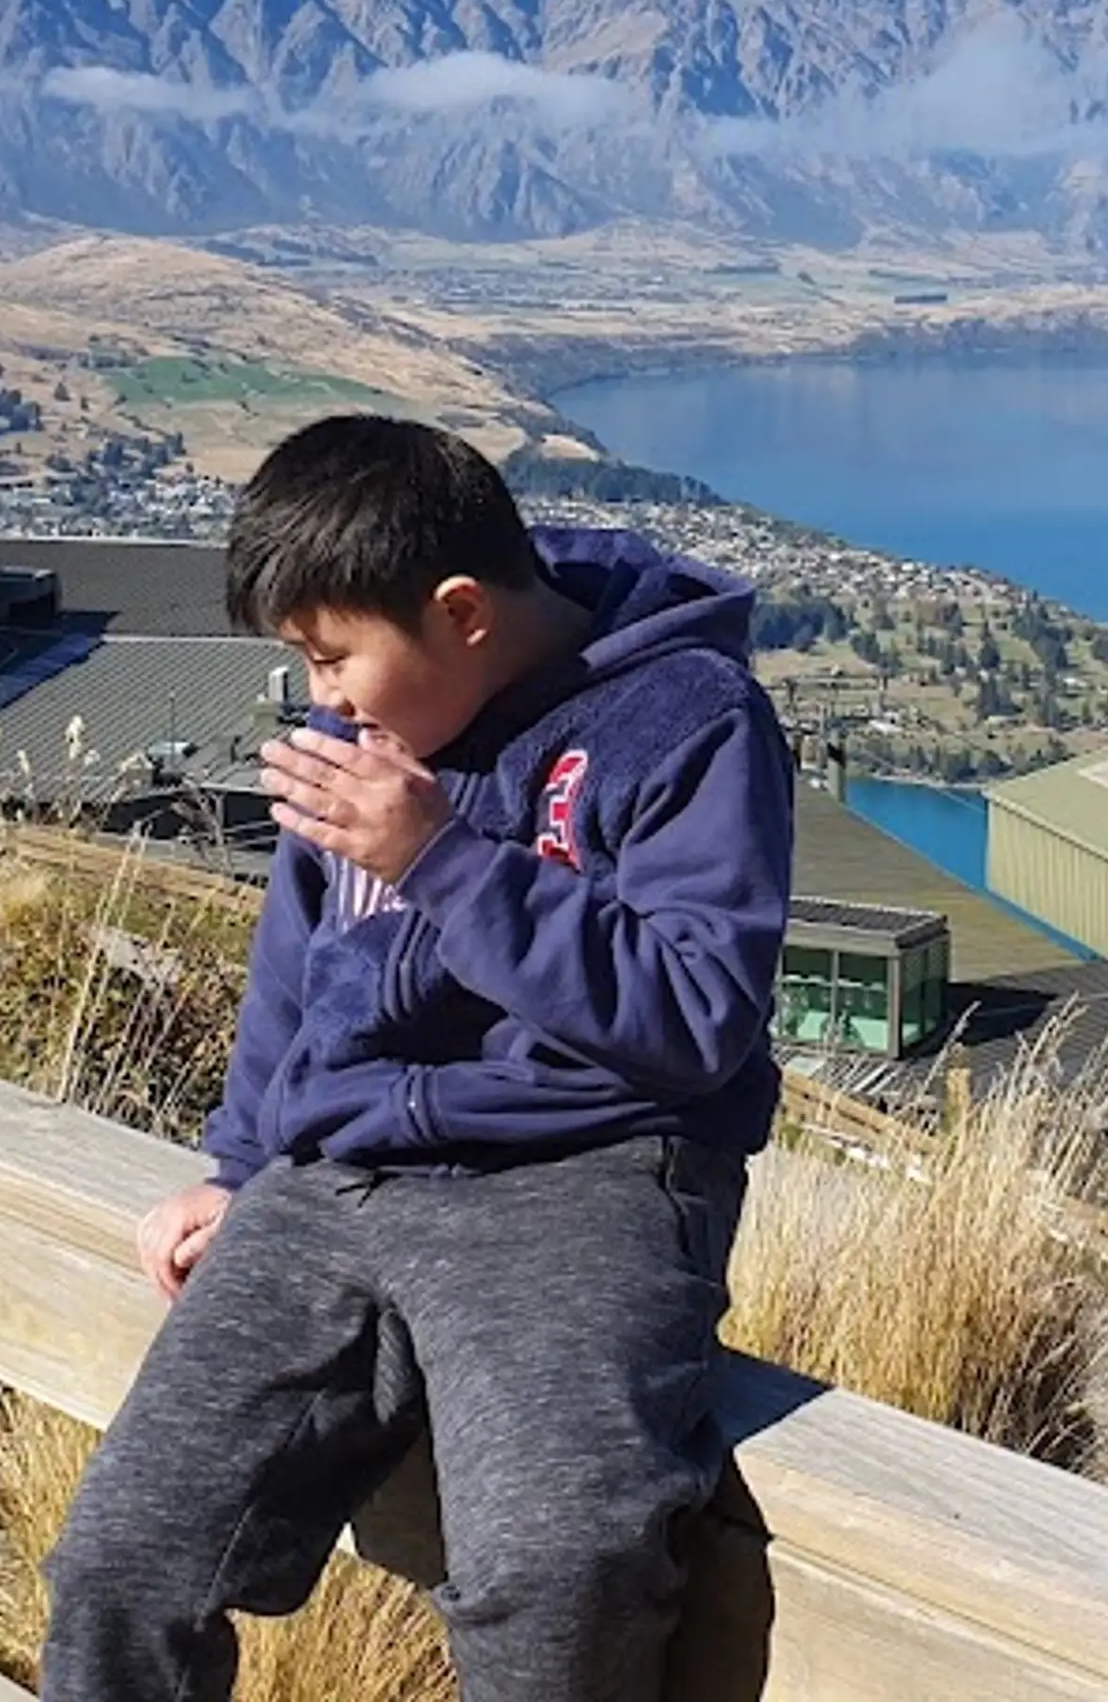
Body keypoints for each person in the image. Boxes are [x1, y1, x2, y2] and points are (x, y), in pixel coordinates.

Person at [42, 414, 794, 1702]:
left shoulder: (686, 718)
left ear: (461, 611)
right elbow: (301, 969)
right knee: (123, 1559)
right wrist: (235, 1166)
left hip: (590, 1178)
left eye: (333, 656)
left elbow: (696, 1014)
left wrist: (443, 861)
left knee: (558, 1576)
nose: (319, 696)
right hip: (337, 1177)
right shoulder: (357, 745)